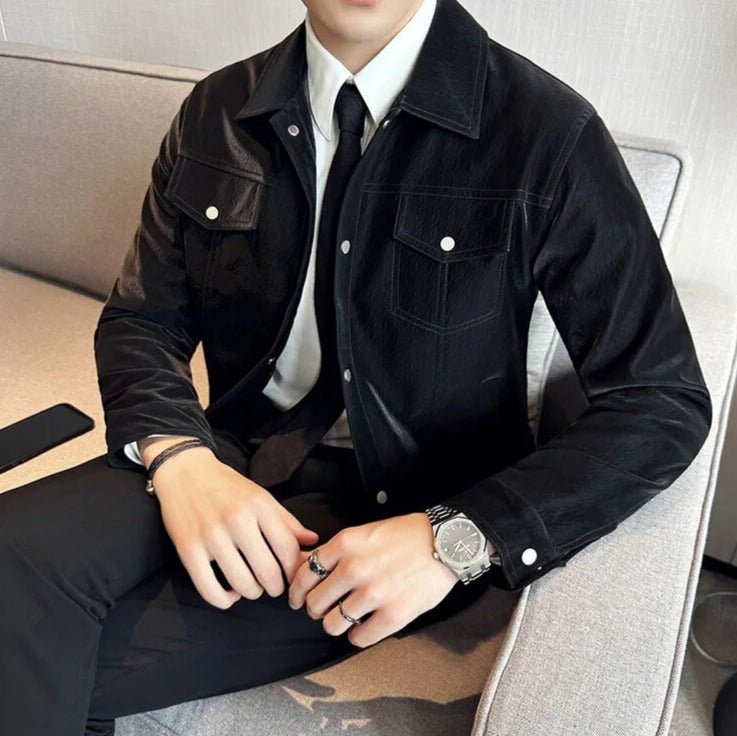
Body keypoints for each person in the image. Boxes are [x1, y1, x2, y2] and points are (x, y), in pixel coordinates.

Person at [0, 0, 712, 733]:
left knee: (38, 655)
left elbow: (661, 401)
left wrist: (455, 538)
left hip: (399, 510)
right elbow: (141, 319)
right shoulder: (217, 109)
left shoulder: (545, 131)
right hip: (224, 450)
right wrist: (178, 453)